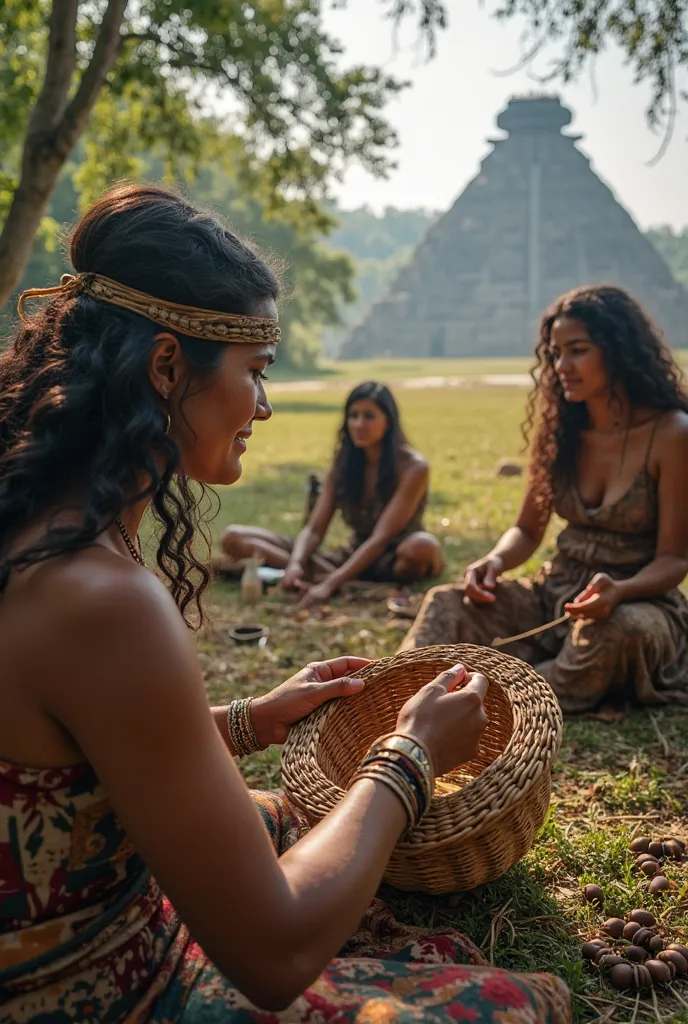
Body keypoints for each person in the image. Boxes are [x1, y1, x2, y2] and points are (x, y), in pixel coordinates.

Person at [0, 184, 571, 1023]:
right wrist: (411, 753)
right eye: (255, 372)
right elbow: (274, 953)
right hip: (97, 990)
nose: (264, 404)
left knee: (303, 815)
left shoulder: (41, 523)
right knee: (520, 1004)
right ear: (166, 366)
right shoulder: (103, 597)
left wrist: (246, 721)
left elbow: (80, 748)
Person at [401, 285, 688, 714]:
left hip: (635, 605)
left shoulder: (672, 435)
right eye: (555, 354)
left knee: (617, 631)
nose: (561, 367)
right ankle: (396, 691)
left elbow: (675, 559)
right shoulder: (561, 431)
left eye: (577, 351)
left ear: (618, 351)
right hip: (555, 596)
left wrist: (621, 589)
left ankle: (492, 703)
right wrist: (495, 562)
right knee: (446, 601)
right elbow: (527, 529)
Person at [216, 381, 444, 606]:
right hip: (351, 555)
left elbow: (380, 539)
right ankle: (329, 578)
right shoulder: (344, 465)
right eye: (353, 415)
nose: (359, 424)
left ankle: (334, 579)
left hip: (392, 557)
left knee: (422, 546)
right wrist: (296, 562)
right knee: (234, 537)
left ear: (389, 422)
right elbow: (315, 530)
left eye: (369, 416)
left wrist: (329, 585)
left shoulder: (413, 467)